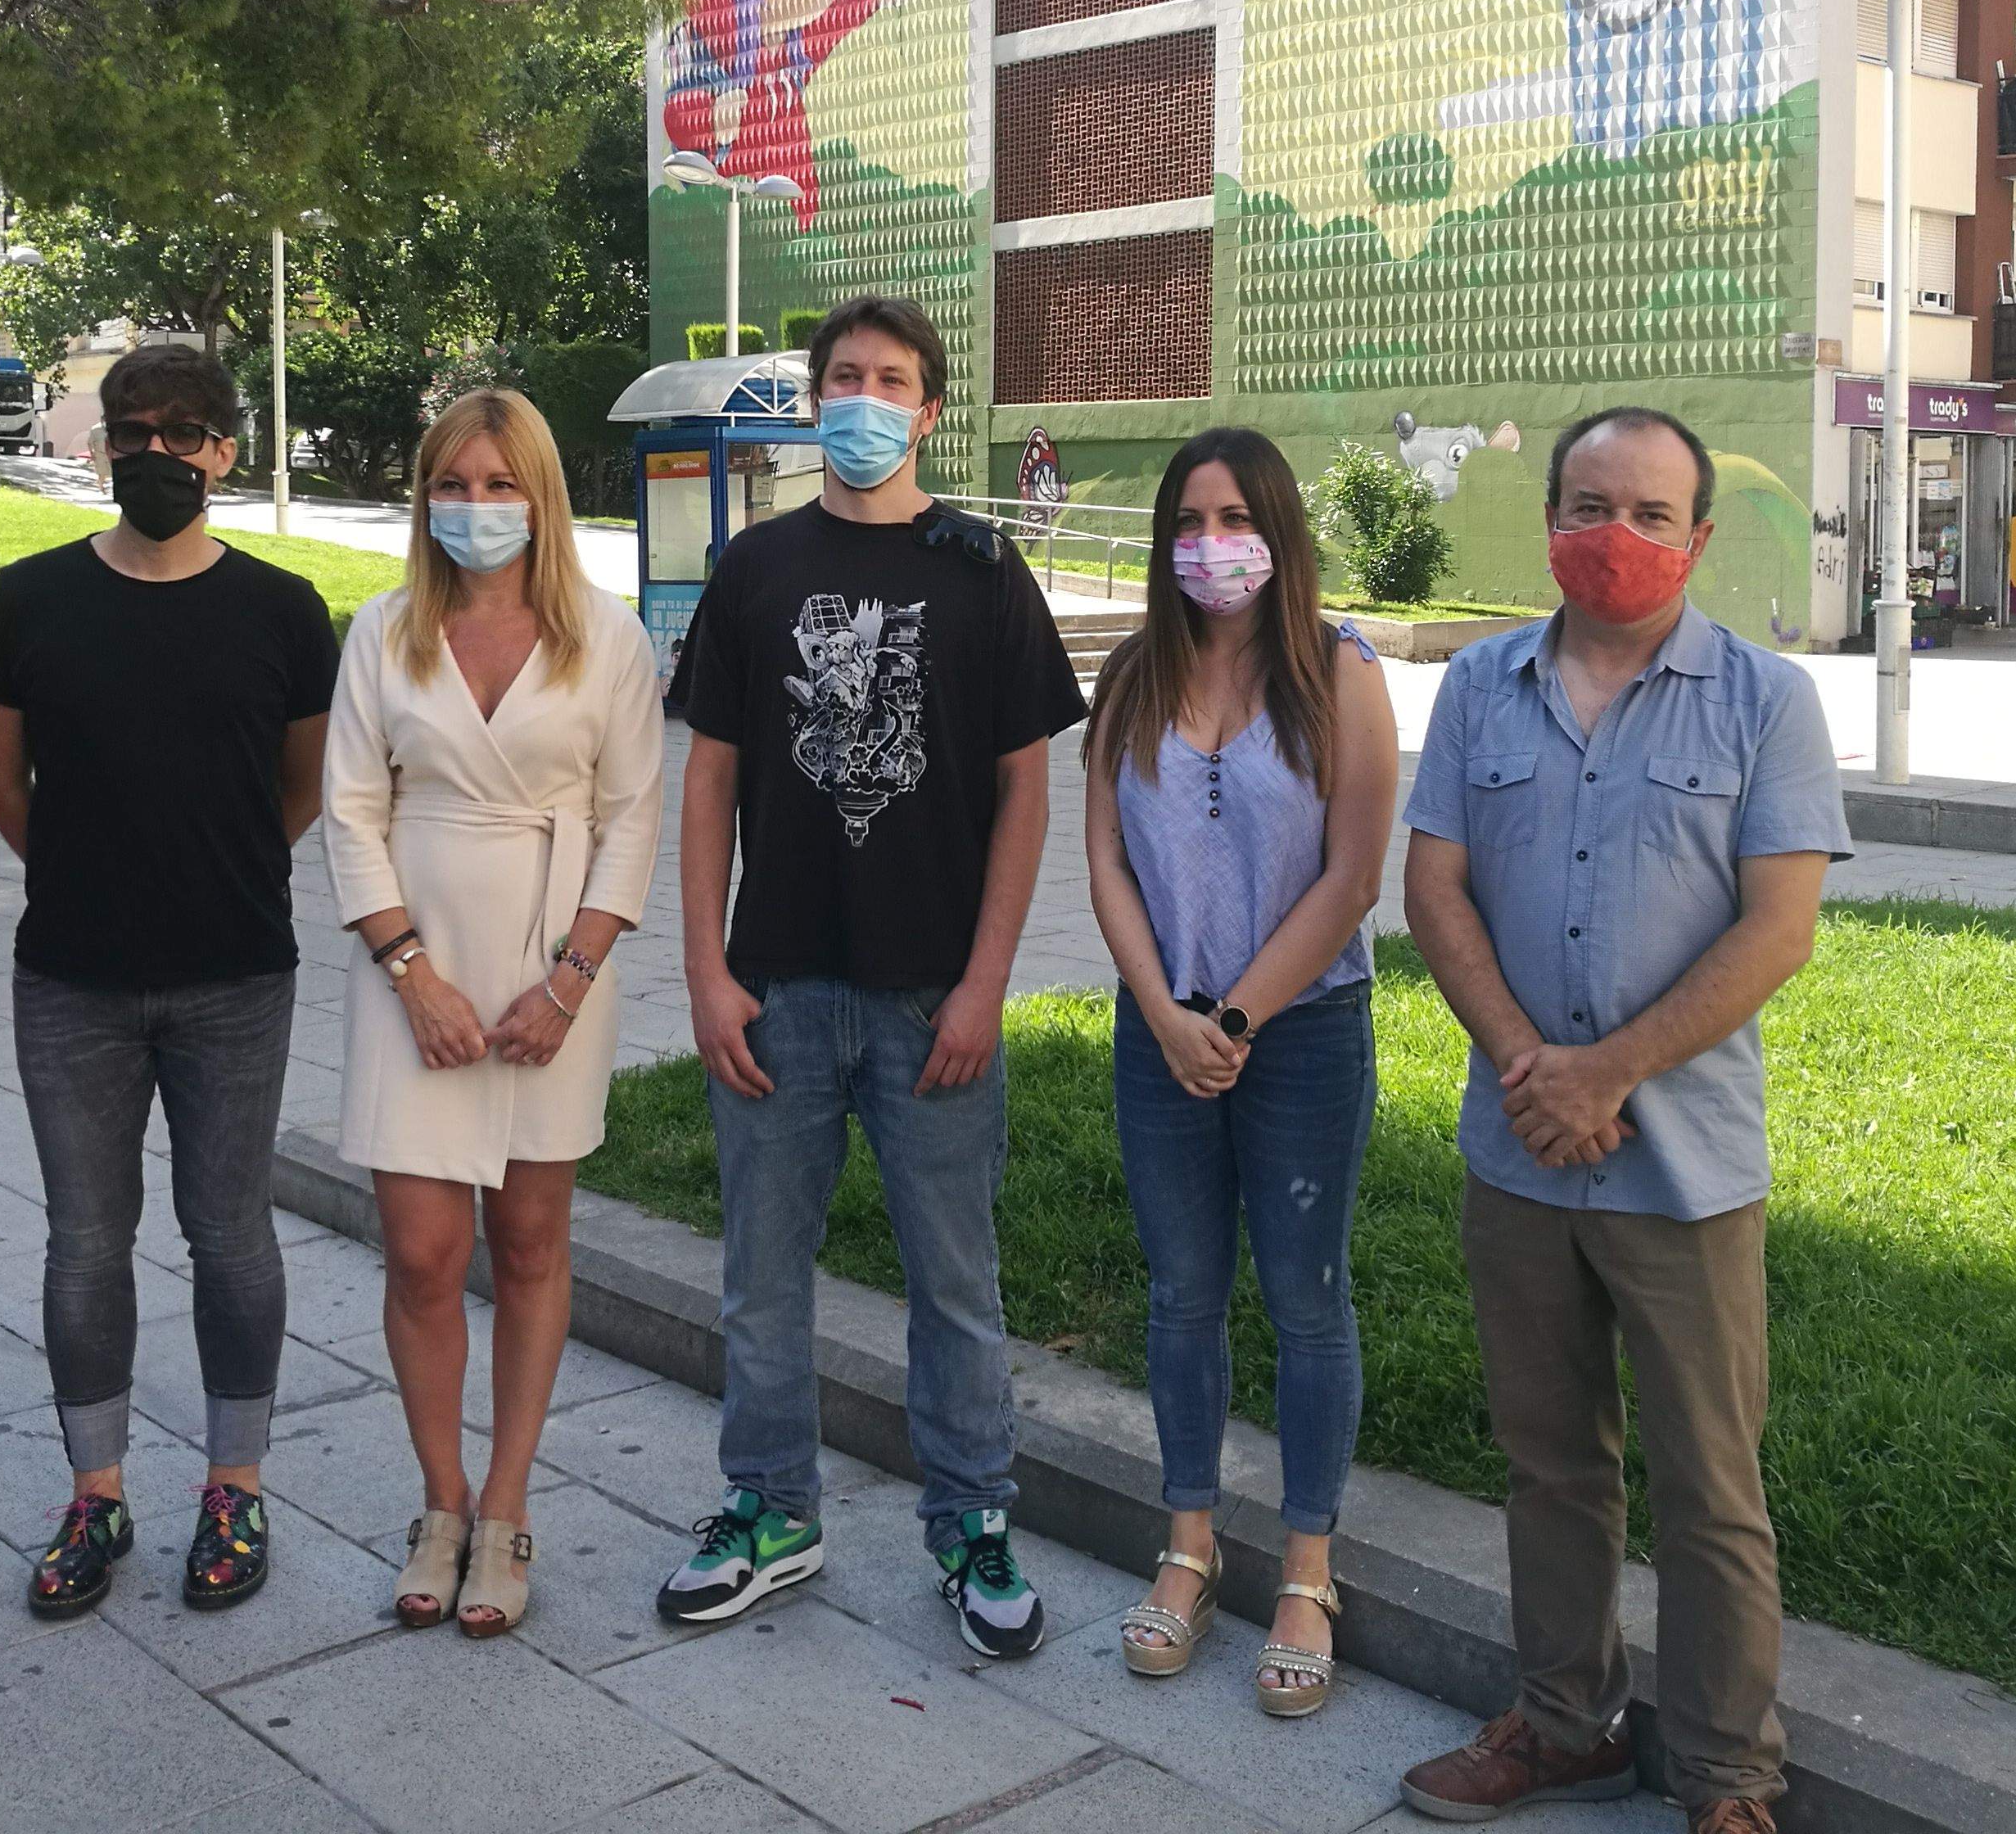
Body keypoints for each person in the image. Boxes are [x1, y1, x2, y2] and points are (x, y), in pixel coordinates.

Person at [1395, 408, 1849, 1833]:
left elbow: (1780, 931)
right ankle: (1564, 1724)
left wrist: (1610, 1075)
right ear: (1549, 521)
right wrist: (1537, 1066)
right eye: (1591, 505)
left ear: (1698, 540)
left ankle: (1726, 1781)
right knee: (1550, 1464)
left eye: (1653, 515)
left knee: (1711, 1487)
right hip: (1517, 1153)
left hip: (1687, 1164)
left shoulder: (1768, 701)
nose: (1619, 535)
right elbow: (1434, 889)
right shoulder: (1478, 686)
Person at [656, 293, 1087, 1657]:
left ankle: (973, 1521)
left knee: (955, 1279)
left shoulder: (985, 574)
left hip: (931, 998)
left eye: (891, 379)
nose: (864, 397)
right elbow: (709, 780)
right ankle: (772, 1507)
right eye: (843, 375)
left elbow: (1027, 792)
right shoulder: (756, 570)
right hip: (779, 984)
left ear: (931, 409)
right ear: (811, 399)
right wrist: (707, 973)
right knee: (758, 1275)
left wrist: (987, 981)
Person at [0, 344, 339, 1619]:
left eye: (188, 434)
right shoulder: (27, 597)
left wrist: (209, 868)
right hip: (71, 978)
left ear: (229, 452)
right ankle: (96, 1493)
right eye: (136, 430)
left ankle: (235, 1487)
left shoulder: (285, 610)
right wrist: (83, 868)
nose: (160, 454)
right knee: (84, 1242)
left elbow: (300, 787)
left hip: (236, 975)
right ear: (102, 443)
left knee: (229, 1235)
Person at [323, 390, 664, 1638]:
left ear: (543, 498)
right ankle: (442, 1501)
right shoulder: (383, 632)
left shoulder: (607, 640)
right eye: (453, 486)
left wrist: (570, 981)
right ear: (425, 499)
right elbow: (351, 810)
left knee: (529, 1242)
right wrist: (411, 973)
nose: (476, 509)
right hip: (411, 971)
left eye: (500, 485)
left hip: (551, 979)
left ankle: (509, 1504)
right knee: (421, 1253)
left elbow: (632, 816)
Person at [1083, 430, 1397, 1716]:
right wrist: (1166, 1012)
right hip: (1161, 1032)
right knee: (1183, 1294)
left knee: (1305, 1297)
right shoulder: (1131, 678)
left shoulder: (1343, 674)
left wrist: (1240, 1016)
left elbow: (1355, 876)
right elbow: (1103, 858)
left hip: (1305, 1033)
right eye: (1190, 520)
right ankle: (1190, 1548)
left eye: (1236, 516)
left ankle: (1309, 1572)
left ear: (1278, 529)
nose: (1213, 542)